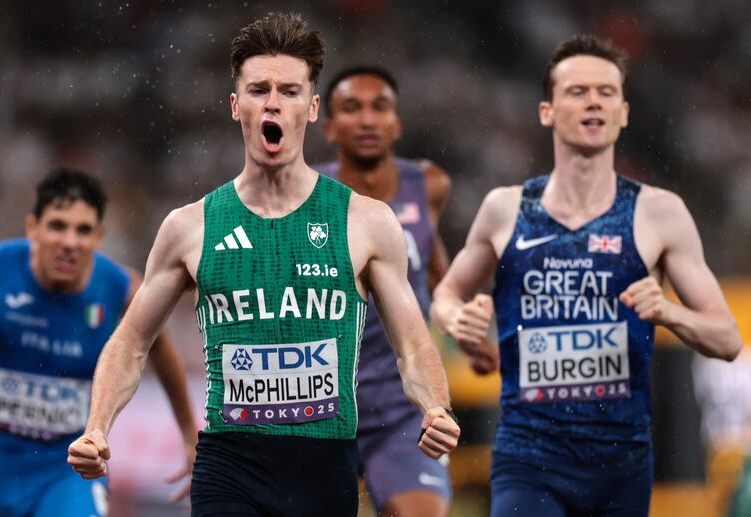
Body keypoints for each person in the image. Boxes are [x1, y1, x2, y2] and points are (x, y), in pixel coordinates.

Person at [66, 13, 460, 517]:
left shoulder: (364, 222)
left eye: (290, 91)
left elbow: (411, 342)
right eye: (258, 89)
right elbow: (130, 341)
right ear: (237, 105)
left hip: (325, 465)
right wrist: (97, 426)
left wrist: (435, 408)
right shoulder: (191, 227)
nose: (273, 101)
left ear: (313, 108)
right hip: (230, 464)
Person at [431, 34, 743, 517]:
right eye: (577, 91)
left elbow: (727, 339)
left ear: (623, 112)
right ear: (547, 111)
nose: (594, 101)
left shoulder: (660, 214)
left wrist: (669, 312)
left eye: (607, 92)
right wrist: (458, 320)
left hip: (620, 465)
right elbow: (446, 295)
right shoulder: (506, 209)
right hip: (527, 459)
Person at [0, 168, 198, 517]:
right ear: (32, 227)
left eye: (83, 230)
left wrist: (189, 434)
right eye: (57, 226)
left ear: (99, 236)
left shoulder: (119, 288)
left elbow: (158, 345)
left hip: (66, 470)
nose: (69, 241)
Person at [316, 65, 453, 517]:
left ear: (397, 124)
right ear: (329, 126)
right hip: (318, 404)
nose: (368, 120)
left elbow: (436, 274)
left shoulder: (428, 185)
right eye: (352, 108)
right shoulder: (303, 196)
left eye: (380, 107)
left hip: (400, 405)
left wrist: (462, 322)